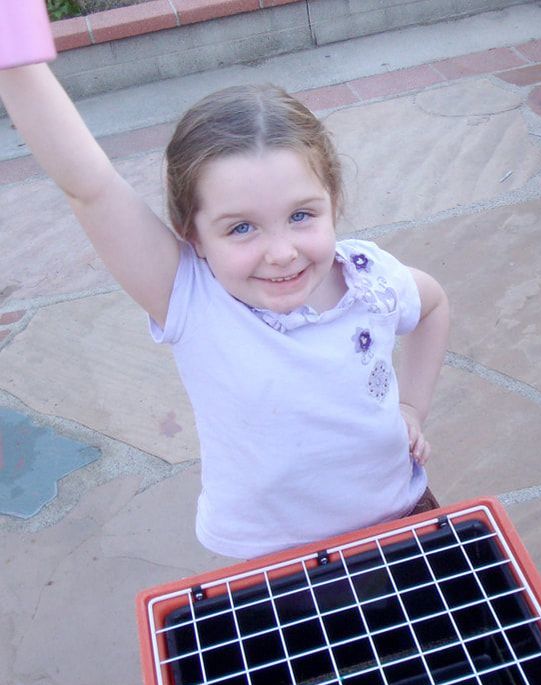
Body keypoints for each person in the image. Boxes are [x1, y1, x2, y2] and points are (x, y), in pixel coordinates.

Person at [0, 34, 449, 559]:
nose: (281, 252)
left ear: (334, 202)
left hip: (403, 519)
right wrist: (13, 46)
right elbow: (89, 185)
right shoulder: (189, 297)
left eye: (301, 215)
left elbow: (434, 306)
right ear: (192, 235)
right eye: (241, 228)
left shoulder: (371, 278)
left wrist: (413, 406)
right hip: (273, 562)